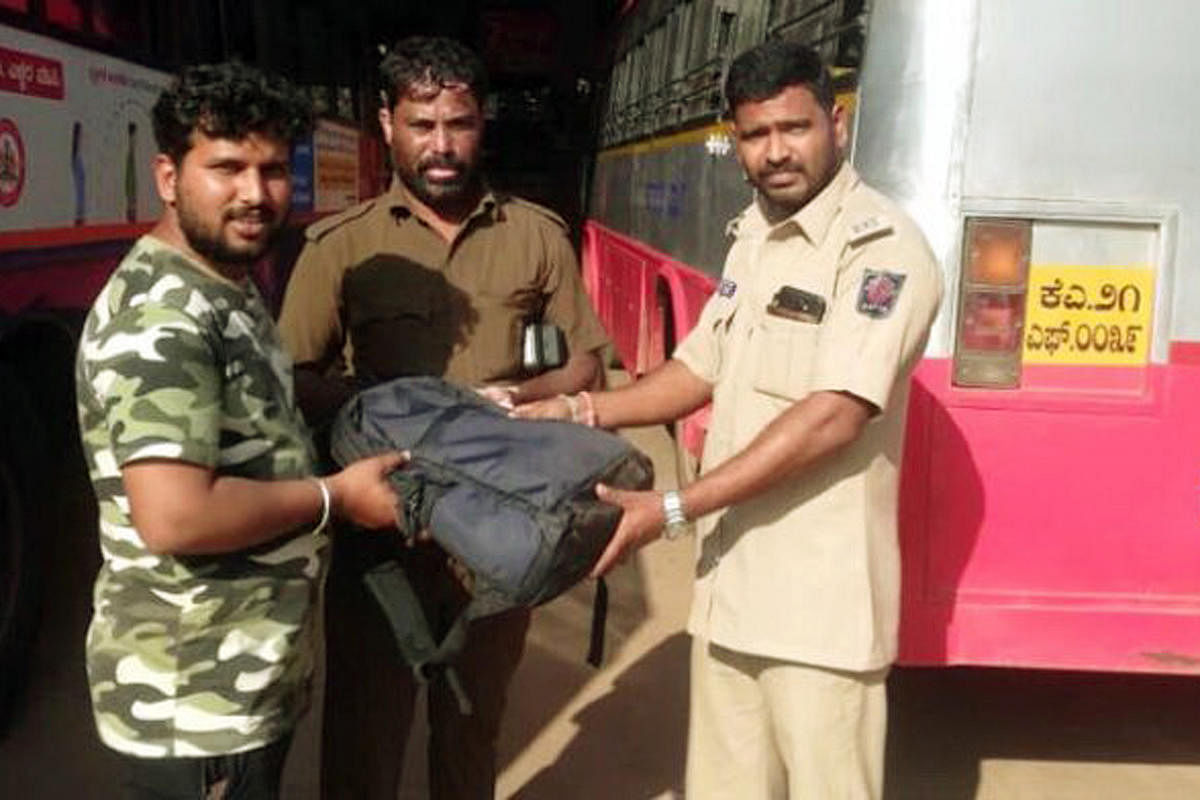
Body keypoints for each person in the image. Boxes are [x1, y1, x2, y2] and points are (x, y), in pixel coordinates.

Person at [515, 40, 943, 799]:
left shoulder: (883, 251)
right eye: (755, 135)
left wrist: (674, 507)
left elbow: (833, 417)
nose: (776, 153)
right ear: (735, 142)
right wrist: (581, 407)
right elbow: (695, 370)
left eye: (794, 128)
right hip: (732, 592)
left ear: (836, 124)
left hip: (819, 616)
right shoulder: (753, 238)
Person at [276, 36, 610, 800]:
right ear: (385, 121)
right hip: (380, 536)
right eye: (421, 124)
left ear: (480, 121)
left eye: (457, 123)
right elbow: (294, 377)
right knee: (364, 740)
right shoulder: (341, 245)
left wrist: (524, 400)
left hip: (499, 535)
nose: (441, 145)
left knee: (471, 729)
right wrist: (400, 415)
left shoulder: (536, 235)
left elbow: (585, 361)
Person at [75, 62, 404, 800]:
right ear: (168, 176)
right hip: (192, 703)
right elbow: (176, 515)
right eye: (226, 168)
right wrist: (335, 498)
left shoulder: (224, 283)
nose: (255, 195)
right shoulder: (162, 315)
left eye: (273, 170)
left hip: (244, 682)